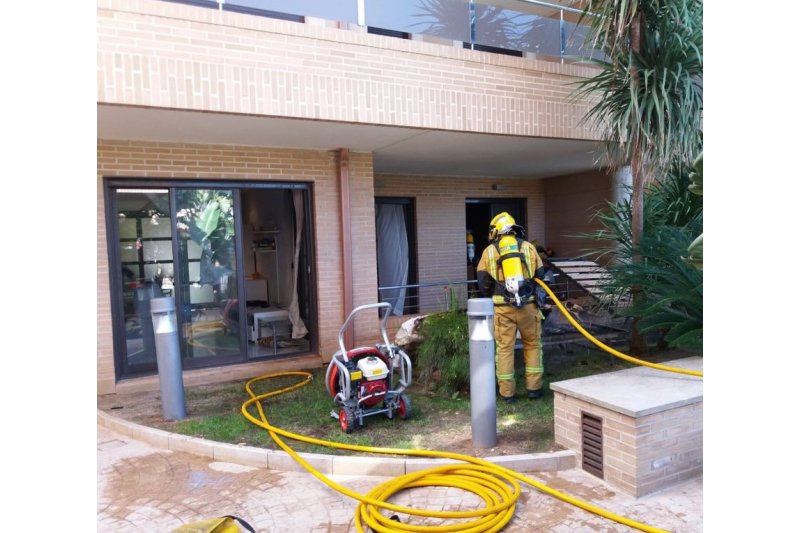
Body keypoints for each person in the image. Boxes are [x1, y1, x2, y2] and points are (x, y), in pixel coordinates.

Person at [476, 212, 548, 403]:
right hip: (529, 306)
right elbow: (540, 273)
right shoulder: (528, 247)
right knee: (532, 345)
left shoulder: (489, 251)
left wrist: (494, 294)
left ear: (496, 231)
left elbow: (482, 281)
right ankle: (534, 389)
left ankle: (507, 393)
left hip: (502, 307)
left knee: (504, 349)